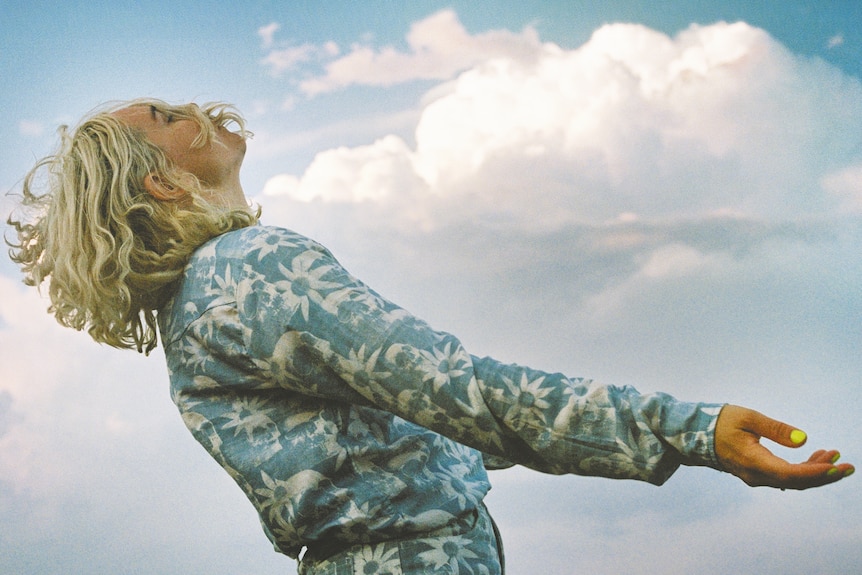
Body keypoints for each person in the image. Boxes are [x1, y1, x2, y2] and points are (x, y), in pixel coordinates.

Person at [6, 99, 854, 574]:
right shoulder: (255, 267)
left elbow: (414, 426)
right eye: (167, 115)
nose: (196, 106)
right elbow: (462, 392)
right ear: (159, 176)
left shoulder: (202, 306)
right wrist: (690, 427)